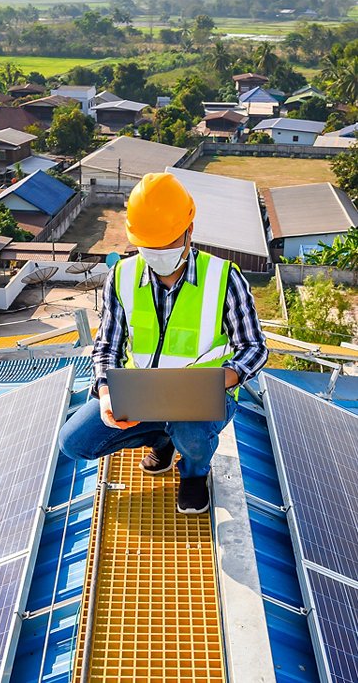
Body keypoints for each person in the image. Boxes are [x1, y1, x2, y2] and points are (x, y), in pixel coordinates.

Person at [59, 172, 268, 514]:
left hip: (201, 397)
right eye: (149, 246)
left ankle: (194, 474)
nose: (158, 253)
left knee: (189, 428)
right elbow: (108, 344)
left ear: (189, 231)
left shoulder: (224, 278)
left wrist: (221, 380)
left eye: (168, 242)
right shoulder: (122, 276)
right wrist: (107, 390)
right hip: (139, 393)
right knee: (74, 443)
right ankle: (163, 439)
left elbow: (255, 348)